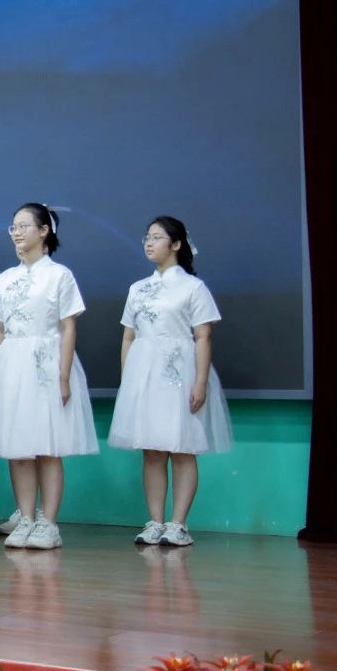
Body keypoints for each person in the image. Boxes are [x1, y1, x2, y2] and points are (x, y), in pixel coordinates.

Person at [0, 203, 98, 550]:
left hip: (47, 361)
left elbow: (68, 327)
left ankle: (48, 523)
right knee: (19, 448)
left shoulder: (59, 275)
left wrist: (63, 374)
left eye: (24, 226)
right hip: (13, 364)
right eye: (13, 226)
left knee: (48, 446)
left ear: (44, 231)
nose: (16, 232)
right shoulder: (5, 278)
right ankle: (25, 518)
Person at [110, 216, 232, 547]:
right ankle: (155, 521)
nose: (149, 243)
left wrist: (201, 382)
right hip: (144, 375)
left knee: (181, 448)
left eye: (157, 237)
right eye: (147, 237)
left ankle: (178, 525)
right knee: (151, 450)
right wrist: (128, 381)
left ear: (176, 244)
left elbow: (203, 336)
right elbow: (128, 337)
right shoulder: (137, 288)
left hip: (179, 373)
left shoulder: (193, 287)